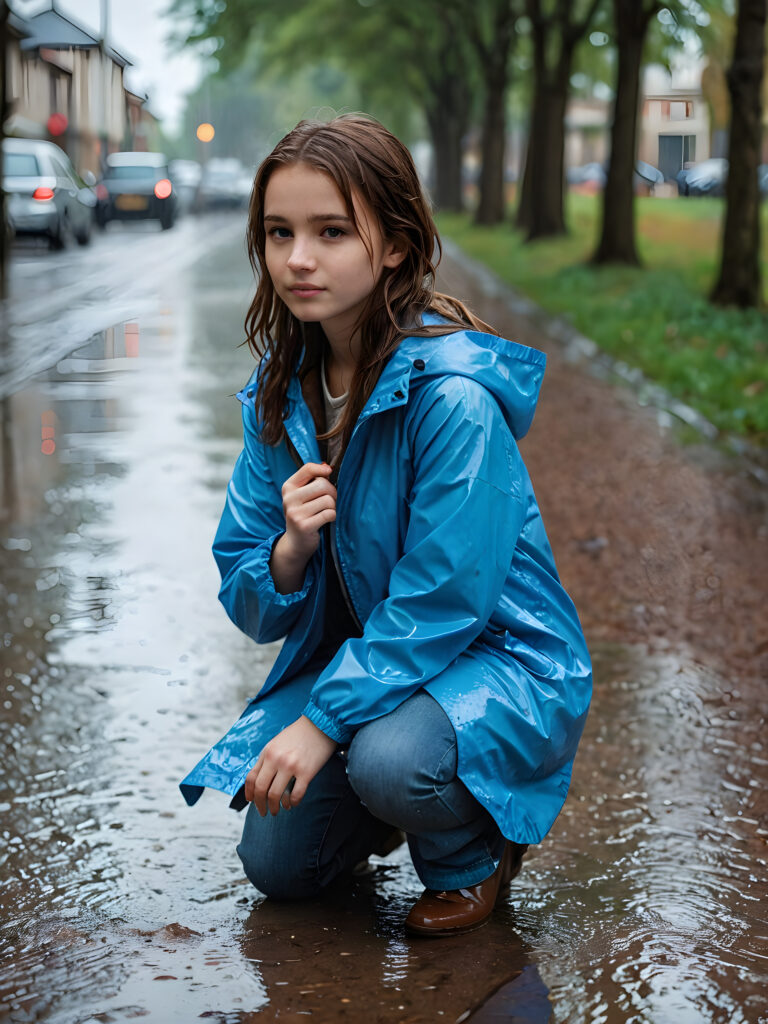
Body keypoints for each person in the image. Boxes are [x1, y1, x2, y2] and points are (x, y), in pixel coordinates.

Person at [180, 114, 592, 937]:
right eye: (279, 232)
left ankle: (472, 855)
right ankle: (389, 791)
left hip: (499, 659)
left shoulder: (453, 399)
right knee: (279, 865)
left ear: (396, 244)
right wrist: (290, 550)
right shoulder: (281, 389)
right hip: (382, 666)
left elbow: (444, 602)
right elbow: (251, 597)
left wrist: (323, 723)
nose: (299, 258)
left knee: (392, 760)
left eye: (332, 232)